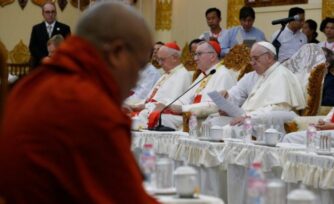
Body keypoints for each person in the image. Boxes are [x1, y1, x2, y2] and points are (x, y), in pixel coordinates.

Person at [0, 2, 158, 203]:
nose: (137, 79)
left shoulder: (31, 84)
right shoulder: (88, 105)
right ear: (117, 53)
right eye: (140, 66)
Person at [207, 42, 306, 134]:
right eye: (251, 59)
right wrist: (227, 97)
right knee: (212, 122)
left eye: (256, 58)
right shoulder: (252, 76)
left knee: (231, 129)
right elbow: (238, 92)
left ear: (269, 57)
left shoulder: (282, 75)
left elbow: (278, 108)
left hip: (264, 120)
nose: (252, 63)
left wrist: (249, 117)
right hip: (246, 117)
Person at [149, 41, 237, 130]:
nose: (195, 58)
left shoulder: (223, 74)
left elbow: (215, 106)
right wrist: (167, 106)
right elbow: (184, 99)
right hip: (193, 116)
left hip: (210, 121)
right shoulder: (204, 74)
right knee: (159, 117)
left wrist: (183, 108)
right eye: (195, 54)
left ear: (212, 56)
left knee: (161, 120)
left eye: (199, 54)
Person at [131, 42, 192, 127]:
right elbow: (149, 98)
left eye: (162, 59)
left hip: (170, 114)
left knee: (142, 116)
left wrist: (146, 106)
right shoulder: (165, 75)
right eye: (158, 59)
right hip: (152, 109)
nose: (160, 63)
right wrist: (137, 105)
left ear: (174, 58)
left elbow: (171, 103)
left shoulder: (183, 75)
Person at [29, 1, 71, 68]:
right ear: (43, 14)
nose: (50, 14)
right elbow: (32, 47)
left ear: (56, 13)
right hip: (40, 65)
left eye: (53, 11)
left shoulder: (65, 28)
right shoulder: (36, 29)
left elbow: (68, 48)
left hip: (59, 65)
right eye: (47, 12)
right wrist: (44, 58)